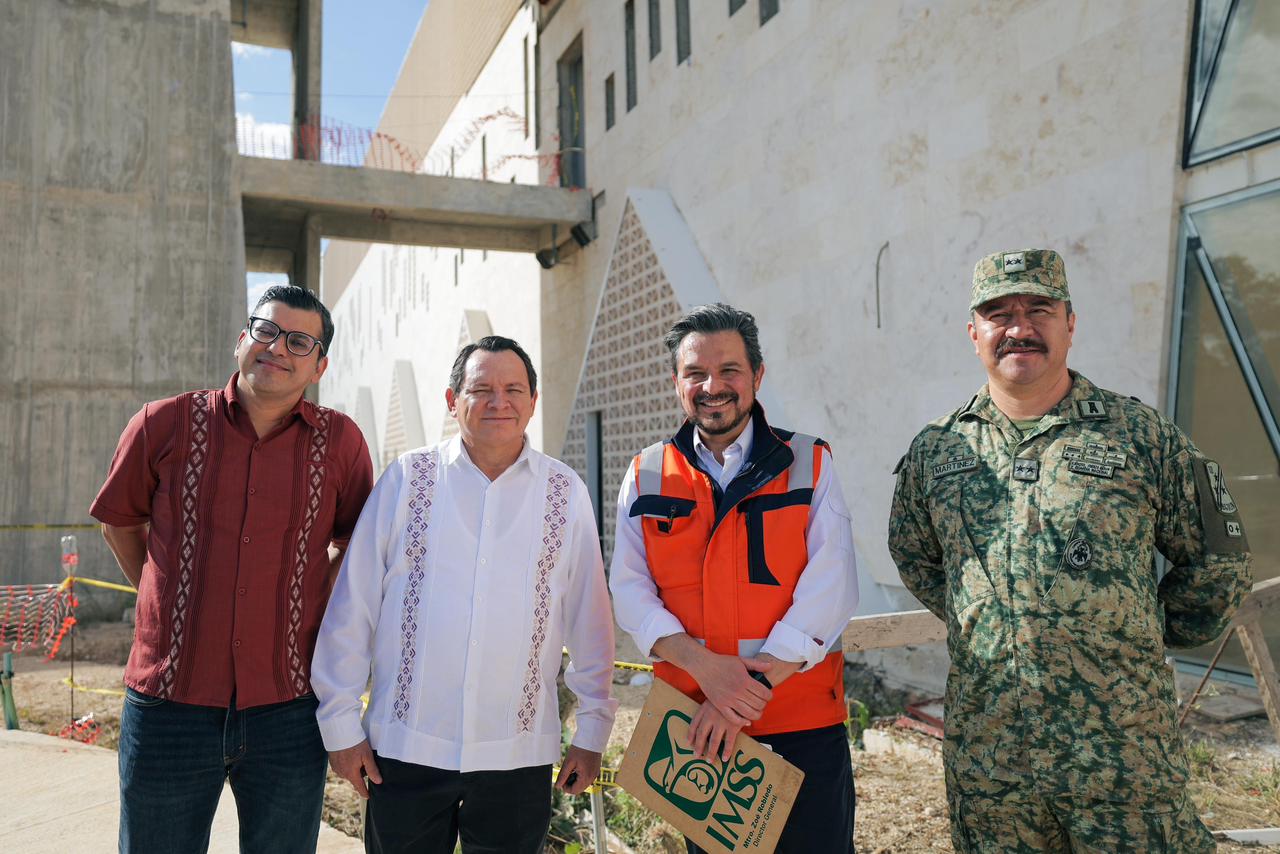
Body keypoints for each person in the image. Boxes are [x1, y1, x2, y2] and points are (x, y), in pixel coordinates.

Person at [888, 248, 1253, 852]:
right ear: (973, 331)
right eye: (999, 312)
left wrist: (1142, 631)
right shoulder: (938, 450)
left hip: (1121, 756)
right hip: (992, 763)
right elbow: (917, 557)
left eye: (1039, 309)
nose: (1019, 328)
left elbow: (1218, 558)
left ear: (1071, 323)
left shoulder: (1140, 435)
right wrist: (989, 617)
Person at [90, 285, 374, 854]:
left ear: (318, 366)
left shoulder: (341, 442)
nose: (277, 348)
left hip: (290, 708)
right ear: (241, 339)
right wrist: (167, 594)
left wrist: (317, 602)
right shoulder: (162, 423)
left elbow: (358, 544)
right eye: (266, 331)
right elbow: (120, 521)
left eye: (299, 341)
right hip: (170, 702)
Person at [312, 335, 617, 854]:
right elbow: (353, 605)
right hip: (405, 749)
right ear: (452, 401)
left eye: (514, 389)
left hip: (516, 757)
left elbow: (590, 619)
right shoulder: (407, 479)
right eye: (482, 389)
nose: (500, 402)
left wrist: (591, 731)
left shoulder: (565, 493)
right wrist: (340, 723)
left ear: (533, 402)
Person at [610, 303, 860, 853]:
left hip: (801, 724)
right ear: (677, 383)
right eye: (695, 373)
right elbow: (629, 591)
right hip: (697, 734)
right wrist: (707, 673)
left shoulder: (809, 461)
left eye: (729, 371)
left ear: (758, 376)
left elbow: (833, 584)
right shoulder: (646, 472)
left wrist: (739, 695)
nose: (712, 386)